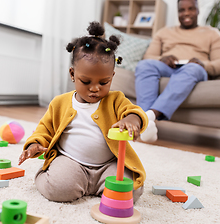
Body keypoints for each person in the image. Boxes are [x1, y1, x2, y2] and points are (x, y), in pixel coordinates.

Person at [18, 21, 148, 203]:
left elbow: (132, 110)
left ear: (112, 77)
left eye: (103, 83)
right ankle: (45, 176)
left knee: (130, 192)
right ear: (72, 74)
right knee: (60, 188)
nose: (95, 89)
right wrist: (34, 146)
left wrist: (133, 119)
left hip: (108, 165)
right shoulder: (60, 103)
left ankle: (94, 187)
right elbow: (44, 129)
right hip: (71, 162)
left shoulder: (116, 99)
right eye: (86, 82)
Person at [135, 0, 220, 142]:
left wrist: (202, 64)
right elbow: (148, 57)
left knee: (192, 68)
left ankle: (148, 116)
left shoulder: (213, 34)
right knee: (144, 65)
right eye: (182, 10)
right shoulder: (164, 32)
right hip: (168, 68)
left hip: (194, 69)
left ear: (198, 11)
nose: (186, 13)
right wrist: (162, 59)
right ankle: (147, 126)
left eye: (191, 9)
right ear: (178, 12)